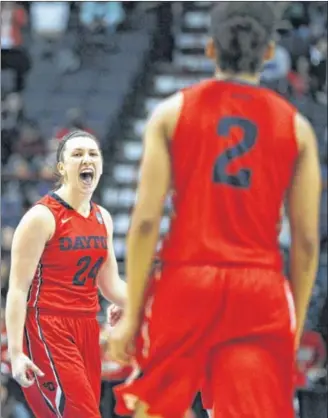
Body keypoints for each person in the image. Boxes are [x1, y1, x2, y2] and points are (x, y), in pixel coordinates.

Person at [109, 2, 321, 418]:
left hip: (186, 278)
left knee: (156, 406)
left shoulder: (170, 113)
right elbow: (307, 242)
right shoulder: (297, 127)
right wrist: (290, 324)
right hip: (258, 287)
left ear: (210, 50)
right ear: (267, 53)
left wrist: (132, 315)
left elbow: (146, 222)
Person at [5, 130, 127, 418]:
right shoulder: (42, 217)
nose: (87, 159)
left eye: (93, 154)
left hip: (87, 327)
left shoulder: (102, 218)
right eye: (77, 154)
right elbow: (17, 289)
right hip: (47, 326)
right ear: (61, 167)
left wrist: (134, 302)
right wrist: (15, 352)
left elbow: (110, 284)